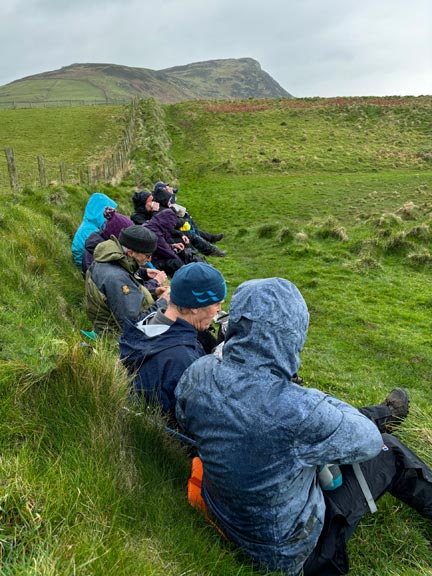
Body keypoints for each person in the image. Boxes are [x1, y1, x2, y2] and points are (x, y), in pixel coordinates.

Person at [175, 277, 432, 576]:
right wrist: (316, 399)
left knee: (317, 436)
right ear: (292, 334)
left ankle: (385, 414)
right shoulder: (301, 408)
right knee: (391, 449)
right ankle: (388, 420)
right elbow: (370, 442)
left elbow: (185, 419)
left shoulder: (199, 373)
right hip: (286, 553)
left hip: (227, 516)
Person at [119, 262, 226, 418]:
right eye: (217, 303)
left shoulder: (145, 324)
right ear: (195, 306)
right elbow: (201, 419)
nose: (219, 310)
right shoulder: (182, 359)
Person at [85, 225, 168, 335]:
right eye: (147, 255)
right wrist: (163, 302)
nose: (149, 260)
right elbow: (135, 325)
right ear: (130, 253)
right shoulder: (117, 278)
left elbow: (121, 300)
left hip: (108, 327)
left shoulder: (108, 259)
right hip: (117, 338)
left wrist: (153, 293)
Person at [71, 192, 117, 268]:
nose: (111, 215)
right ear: (100, 211)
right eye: (108, 211)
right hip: (88, 267)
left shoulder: (91, 224)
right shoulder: (90, 230)